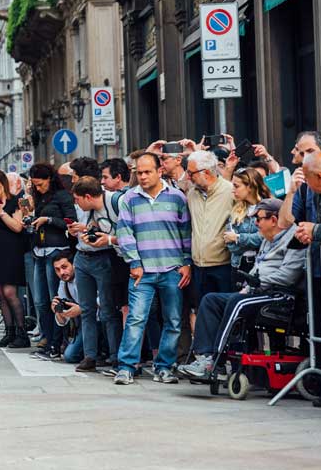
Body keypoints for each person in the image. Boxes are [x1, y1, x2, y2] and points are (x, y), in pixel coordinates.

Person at [180, 198, 306, 380]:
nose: (256, 223)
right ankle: (205, 356)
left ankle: (216, 361)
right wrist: (248, 287)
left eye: (259, 219)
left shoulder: (293, 239)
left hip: (280, 295)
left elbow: (288, 276)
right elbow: (257, 267)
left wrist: (257, 282)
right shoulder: (267, 239)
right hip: (258, 291)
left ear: (274, 219)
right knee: (211, 300)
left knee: (236, 302)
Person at [113, 152, 192, 385]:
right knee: (136, 318)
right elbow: (124, 232)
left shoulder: (177, 198)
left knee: (174, 320)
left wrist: (186, 262)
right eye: (139, 172)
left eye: (148, 172)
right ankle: (126, 367)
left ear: (160, 171)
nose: (143, 176)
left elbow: (186, 232)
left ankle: (164, 367)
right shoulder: (129, 198)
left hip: (172, 269)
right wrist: (134, 262)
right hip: (142, 271)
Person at [69, 176, 123, 371]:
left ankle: (116, 355)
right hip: (82, 257)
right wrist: (82, 230)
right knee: (86, 309)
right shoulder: (87, 209)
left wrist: (107, 239)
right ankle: (89, 355)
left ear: (88, 196)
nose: (76, 203)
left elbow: (123, 231)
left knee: (108, 309)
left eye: (77, 199)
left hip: (104, 257)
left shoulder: (115, 201)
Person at [27, 163, 77, 360]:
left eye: (40, 184)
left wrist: (48, 220)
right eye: (35, 185)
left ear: (49, 179)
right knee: (39, 300)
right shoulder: (39, 197)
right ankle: (46, 338)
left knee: (53, 298)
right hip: (38, 250)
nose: (38, 188)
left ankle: (57, 340)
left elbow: (70, 220)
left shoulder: (62, 196)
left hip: (56, 249)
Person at [0, 171, 30, 349]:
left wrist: (0, 211)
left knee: (11, 292)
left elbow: (17, 227)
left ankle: (22, 333)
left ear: (3, 184)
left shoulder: (15, 201)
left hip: (12, 250)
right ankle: (8, 332)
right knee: (1, 294)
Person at [185, 150, 235, 298]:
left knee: (223, 312)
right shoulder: (192, 194)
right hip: (198, 267)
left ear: (206, 172)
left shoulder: (230, 191)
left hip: (223, 265)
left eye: (191, 173)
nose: (188, 177)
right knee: (203, 312)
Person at [224, 168, 269, 271]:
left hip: (261, 265)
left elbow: (265, 238)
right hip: (238, 265)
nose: (233, 190)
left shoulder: (266, 206)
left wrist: (238, 238)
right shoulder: (236, 208)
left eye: (236, 186)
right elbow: (230, 244)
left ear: (250, 186)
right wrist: (251, 241)